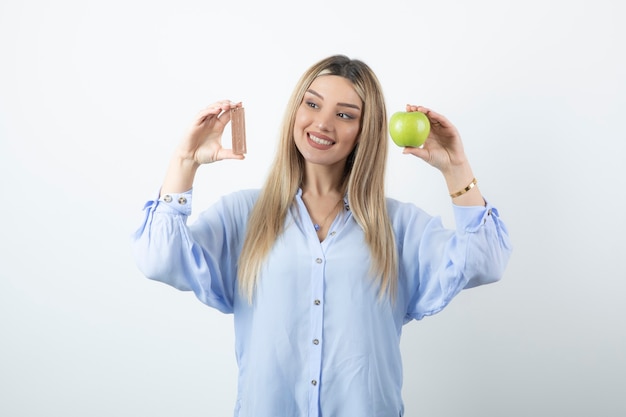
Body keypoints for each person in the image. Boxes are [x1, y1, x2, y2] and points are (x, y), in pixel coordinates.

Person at [131, 54, 512, 417]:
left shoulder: (398, 226)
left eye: (345, 115)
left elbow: (487, 261)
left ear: (365, 132)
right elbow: (158, 259)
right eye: (312, 105)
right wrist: (184, 161)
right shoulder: (243, 216)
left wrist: (456, 167)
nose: (323, 123)